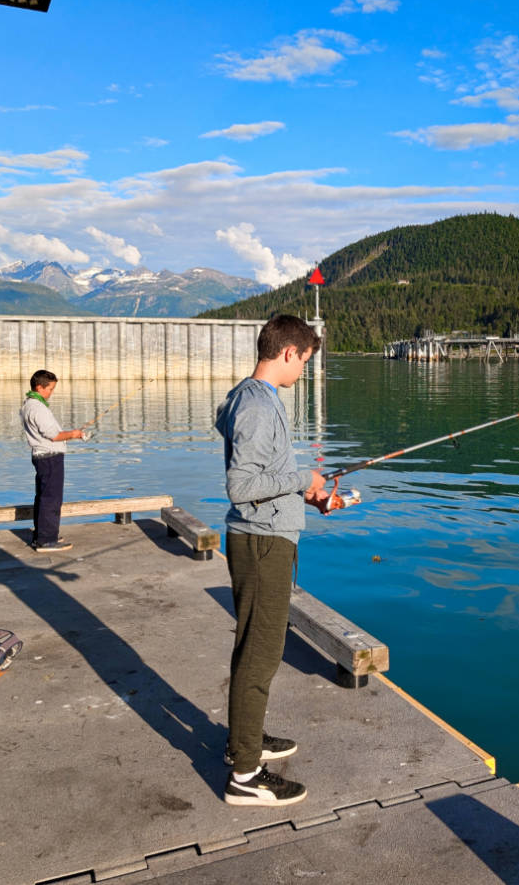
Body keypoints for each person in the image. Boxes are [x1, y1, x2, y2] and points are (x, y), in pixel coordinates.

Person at [215, 315, 331, 807]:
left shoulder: (249, 397)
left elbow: (263, 477)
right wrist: (302, 479)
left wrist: (308, 495)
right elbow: (242, 488)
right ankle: (245, 775)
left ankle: (248, 737)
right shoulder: (260, 407)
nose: (303, 370)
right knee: (261, 653)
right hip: (262, 544)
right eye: (304, 361)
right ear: (289, 353)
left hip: (264, 535)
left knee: (256, 648)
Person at [20, 369, 85, 552]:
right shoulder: (37, 408)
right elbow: (53, 435)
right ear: (39, 387)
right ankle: (46, 540)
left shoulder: (29, 404)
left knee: (43, 497)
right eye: (50, 389)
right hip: (50, 458)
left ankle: (42, 534)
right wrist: (74, 434)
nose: (51, 393)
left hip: (42, 457)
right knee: (51, 499)